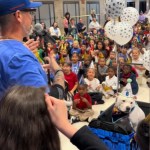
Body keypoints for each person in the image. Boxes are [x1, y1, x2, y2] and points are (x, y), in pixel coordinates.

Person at [0, 85, 108, 150]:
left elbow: (89, 107)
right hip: (77, 112)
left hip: (84, 111)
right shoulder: (75, 97)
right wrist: (65, 125)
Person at [0, 0, 64, 99]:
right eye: (30, 12)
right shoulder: (20, 59)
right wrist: (58, 71)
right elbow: (48, 102)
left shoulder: (9, 51)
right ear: (18, 16)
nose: (32, 18)